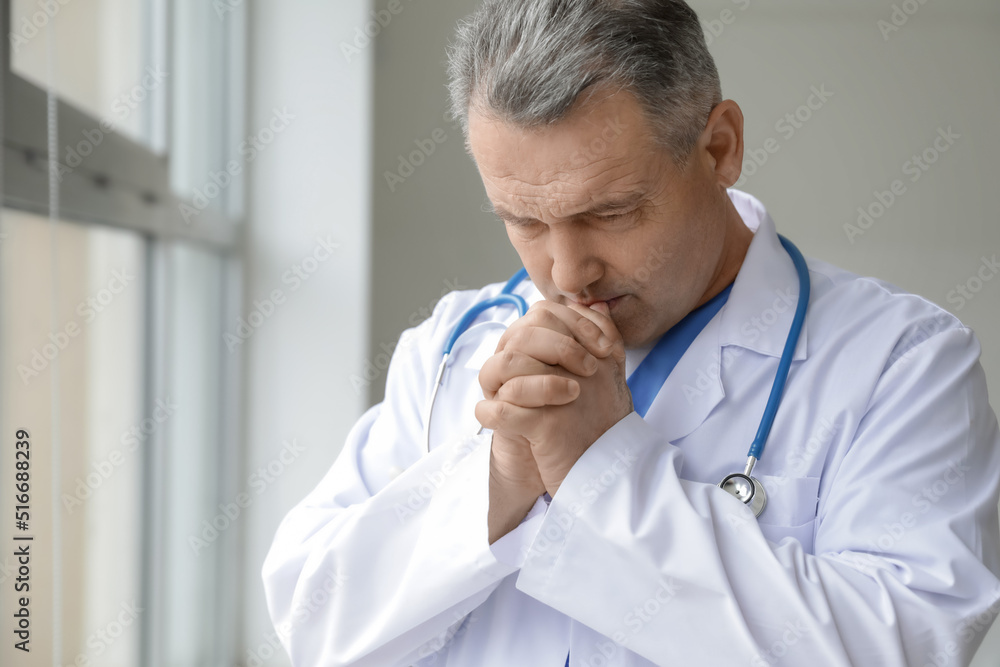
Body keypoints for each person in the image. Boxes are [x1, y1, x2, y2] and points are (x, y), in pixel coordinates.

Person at [262, 1, 1000, 665]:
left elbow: (899, 649)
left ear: (719, 147)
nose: (567, 269)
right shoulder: (452, 346)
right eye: (524, 220)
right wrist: (497, 479)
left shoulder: (902, 366)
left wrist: (599, 469)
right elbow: (315, 626)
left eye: (609, 213)